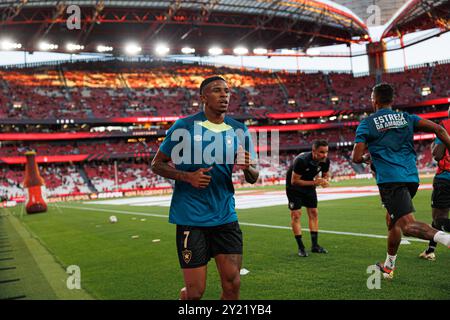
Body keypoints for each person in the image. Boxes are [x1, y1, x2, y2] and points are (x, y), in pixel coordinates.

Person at [151, 76, 259, 300]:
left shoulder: (239, 130)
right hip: (191, 218)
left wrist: (247, 167)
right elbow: (157, 164)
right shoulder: (184, 126)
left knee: (232, 286)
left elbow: (253, 177)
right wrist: (187, 176)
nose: (224, 95)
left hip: (225, 216)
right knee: (195, 293)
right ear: (203, 97)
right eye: (217, 91)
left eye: (227, 91)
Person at [352, 83, 450, 280]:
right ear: (392, 100)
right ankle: (388, 267)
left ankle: (447, 239)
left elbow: (356, 157)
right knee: (392, 220)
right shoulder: (406, 118)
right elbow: (439, 129)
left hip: (390, 180)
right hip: (410, 178)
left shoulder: (368, 123)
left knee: (406, 225)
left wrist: (366, 158)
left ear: (374, 100)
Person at [286, 140, 330, 257]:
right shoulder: (302, 160)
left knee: (314, 212)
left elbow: (326, 174)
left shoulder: (325, 160)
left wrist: (325, 180)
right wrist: (315, 182)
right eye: (321, 152)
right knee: (296, 215)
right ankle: (301, 247)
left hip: (309, 185)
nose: (324, 155)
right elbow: (294, 181)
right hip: (293, 188)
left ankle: (315, 246)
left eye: (326, 152)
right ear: (314, 151)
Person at [420, 106, 450, 261]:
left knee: (438, 219)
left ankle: (430, 251)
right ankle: (430, 250)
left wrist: (434, 147)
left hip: (446, 178)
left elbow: (437, 155)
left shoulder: (446, 126)